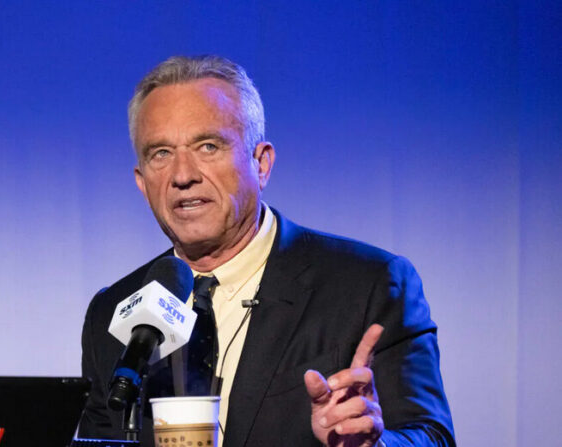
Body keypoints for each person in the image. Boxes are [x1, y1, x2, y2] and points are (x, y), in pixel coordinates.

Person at [78, 55, 455, 447]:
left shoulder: (368, 285)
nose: (183, 175)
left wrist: (370, 446)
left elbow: (432, 438)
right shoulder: (113, 311)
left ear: (261, 164)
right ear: (142, 182)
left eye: (208, 146)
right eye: (160, 154)